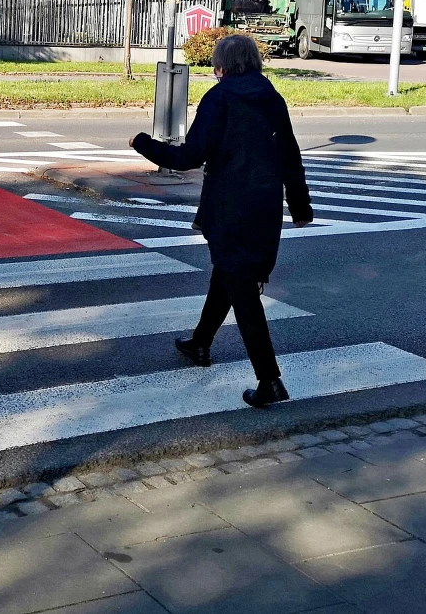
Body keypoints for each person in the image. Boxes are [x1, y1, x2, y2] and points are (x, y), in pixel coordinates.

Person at [128, 35, 313, 408]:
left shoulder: (220, 98)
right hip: (263, 208)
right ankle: (200, 343)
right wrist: (300, 206)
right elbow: (290, 156)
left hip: (229, 209)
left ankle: (269, 380)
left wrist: (143, 143)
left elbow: (190, 156)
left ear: (221, 66)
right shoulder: (273, 99)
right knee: (228, 276)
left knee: (242, 290)